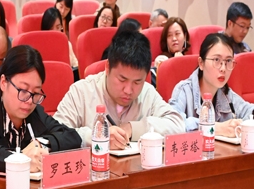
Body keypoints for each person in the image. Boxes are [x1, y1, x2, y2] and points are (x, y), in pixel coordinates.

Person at [0, 45, 81, 172]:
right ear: (3, 83)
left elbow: (72, 137)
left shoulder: (35, 114)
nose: (29, 101)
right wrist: (17, 159)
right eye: (23, 90)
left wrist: (41, 143)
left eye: (35, 93)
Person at [54, 30, 185, 148]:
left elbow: (178, 125)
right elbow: (55, 133)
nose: (128, 90)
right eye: (122, 79)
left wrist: (134, 128)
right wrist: (95, 136)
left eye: (137, 82)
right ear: (107, 67)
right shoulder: (81, 92)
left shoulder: (147, 93)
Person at [169, 33, 254, 134]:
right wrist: (218, 128)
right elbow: (172, 125)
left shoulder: (226, 94)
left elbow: (252, 110)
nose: (223, 68)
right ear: (201, 63)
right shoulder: (183, 90)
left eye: (228, 61)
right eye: (216, 60)